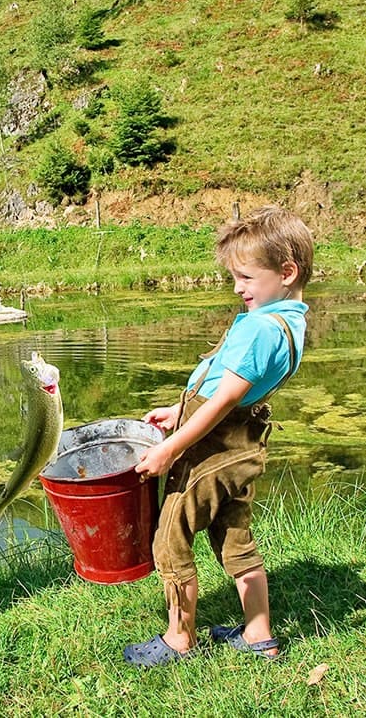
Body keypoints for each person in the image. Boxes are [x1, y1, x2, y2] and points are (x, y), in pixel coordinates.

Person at [123, 206, 314, 668]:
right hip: (242, 450)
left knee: (171, 536)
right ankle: (259, 634)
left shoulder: (261, 329)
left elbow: (223, 400)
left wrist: (171, 447)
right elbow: (224, 387)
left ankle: (178, 639)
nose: (237, 288)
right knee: (234, 537)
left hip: (213, 451)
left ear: (286, 272)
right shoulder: (290, 320)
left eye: (246, 277)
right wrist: (177, 408)